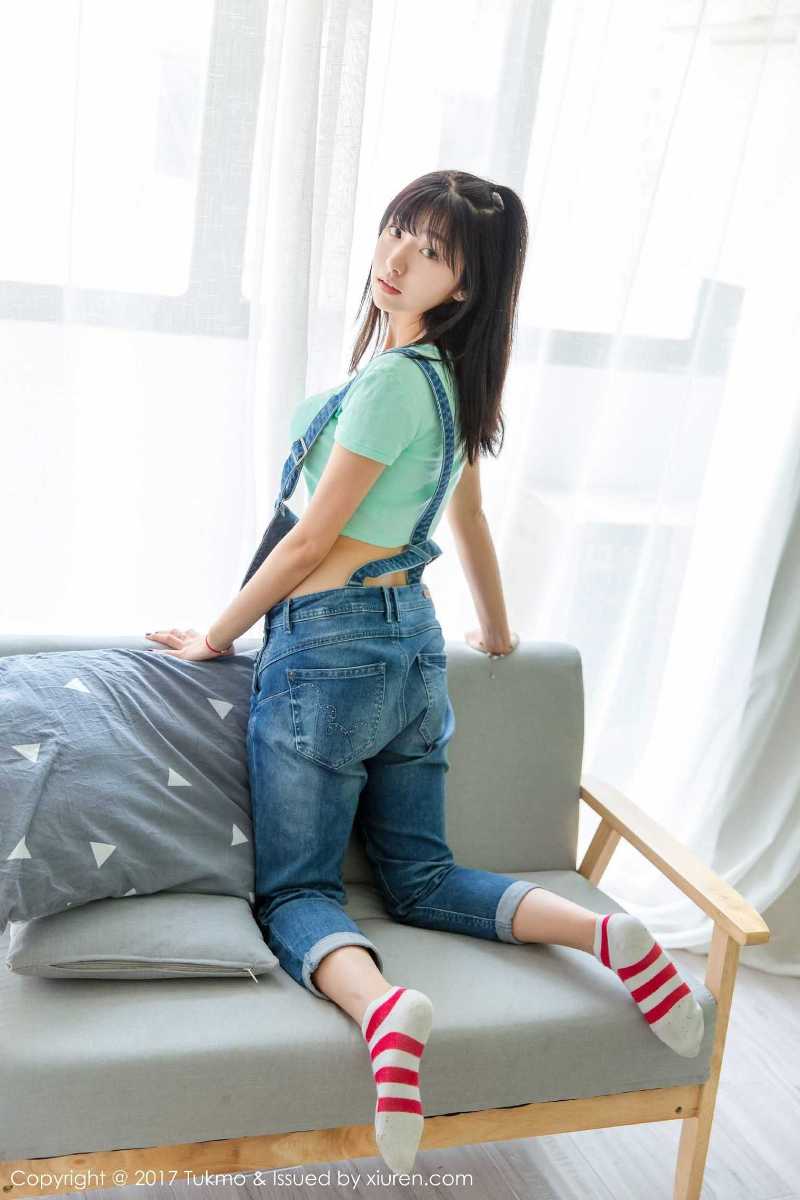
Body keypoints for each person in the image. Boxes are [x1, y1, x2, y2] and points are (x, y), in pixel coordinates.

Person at [145, 170, 704, 1176]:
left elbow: (310, 541)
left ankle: (383, 1013)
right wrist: (498, 630)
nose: (396, 257)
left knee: (296, 893)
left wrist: (217, 636)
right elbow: (469, 517)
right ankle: (605, 938)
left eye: (431, 251)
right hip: (413, 646)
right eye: (397, 230)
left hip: (330, 650)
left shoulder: (388, 384)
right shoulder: (451, 382)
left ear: (464, 284)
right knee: (423, 879)